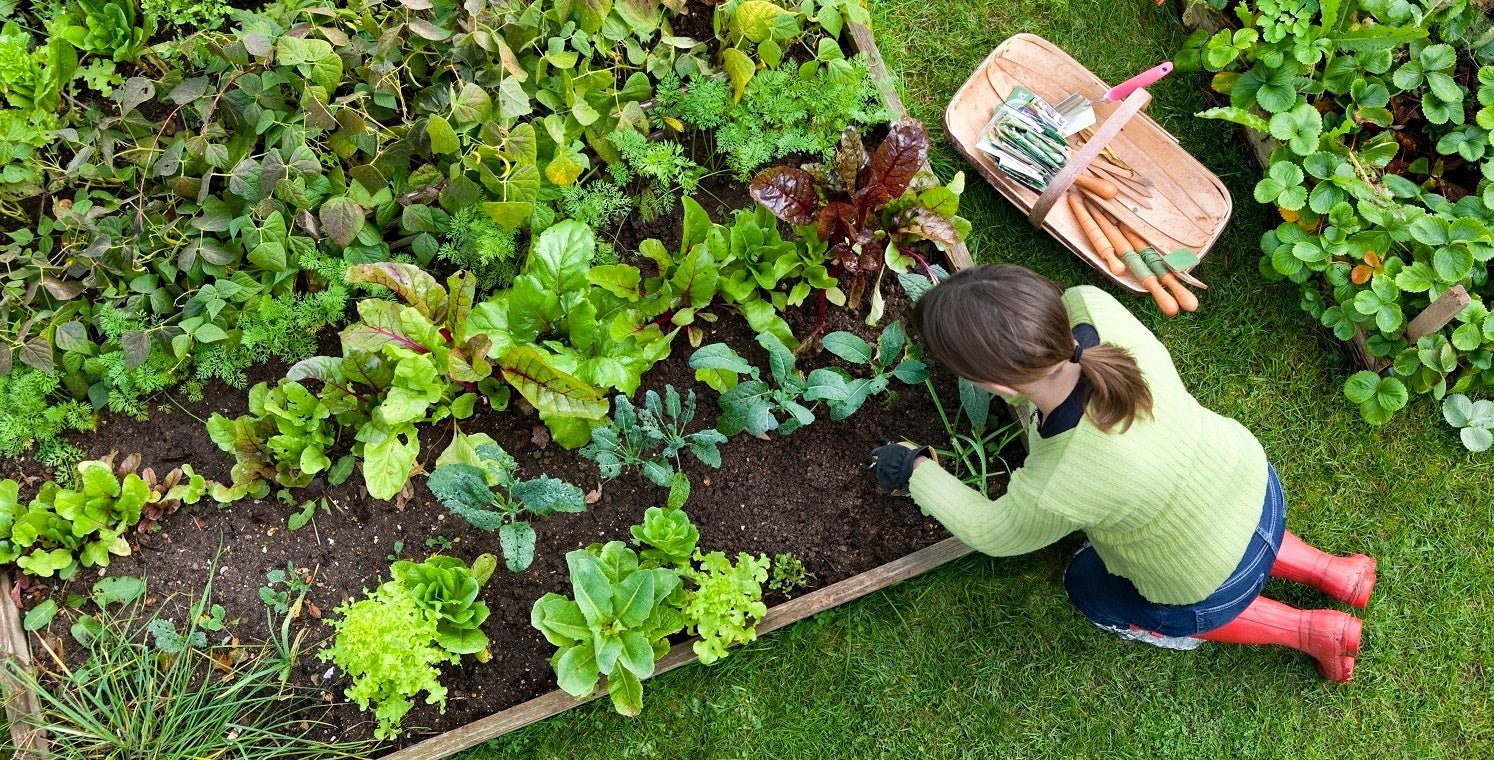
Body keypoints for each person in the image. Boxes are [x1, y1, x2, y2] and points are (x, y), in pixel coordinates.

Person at [869, 264, 1376, 681]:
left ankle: (1312, 631)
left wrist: (914, 469)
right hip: (1254, 485)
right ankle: (1336, 572)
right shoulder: (1093, 307)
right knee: (1217, 524)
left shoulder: (1059, 480)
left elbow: (991, 532)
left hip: (1206, 582)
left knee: (1088, 586)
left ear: (996, 386)